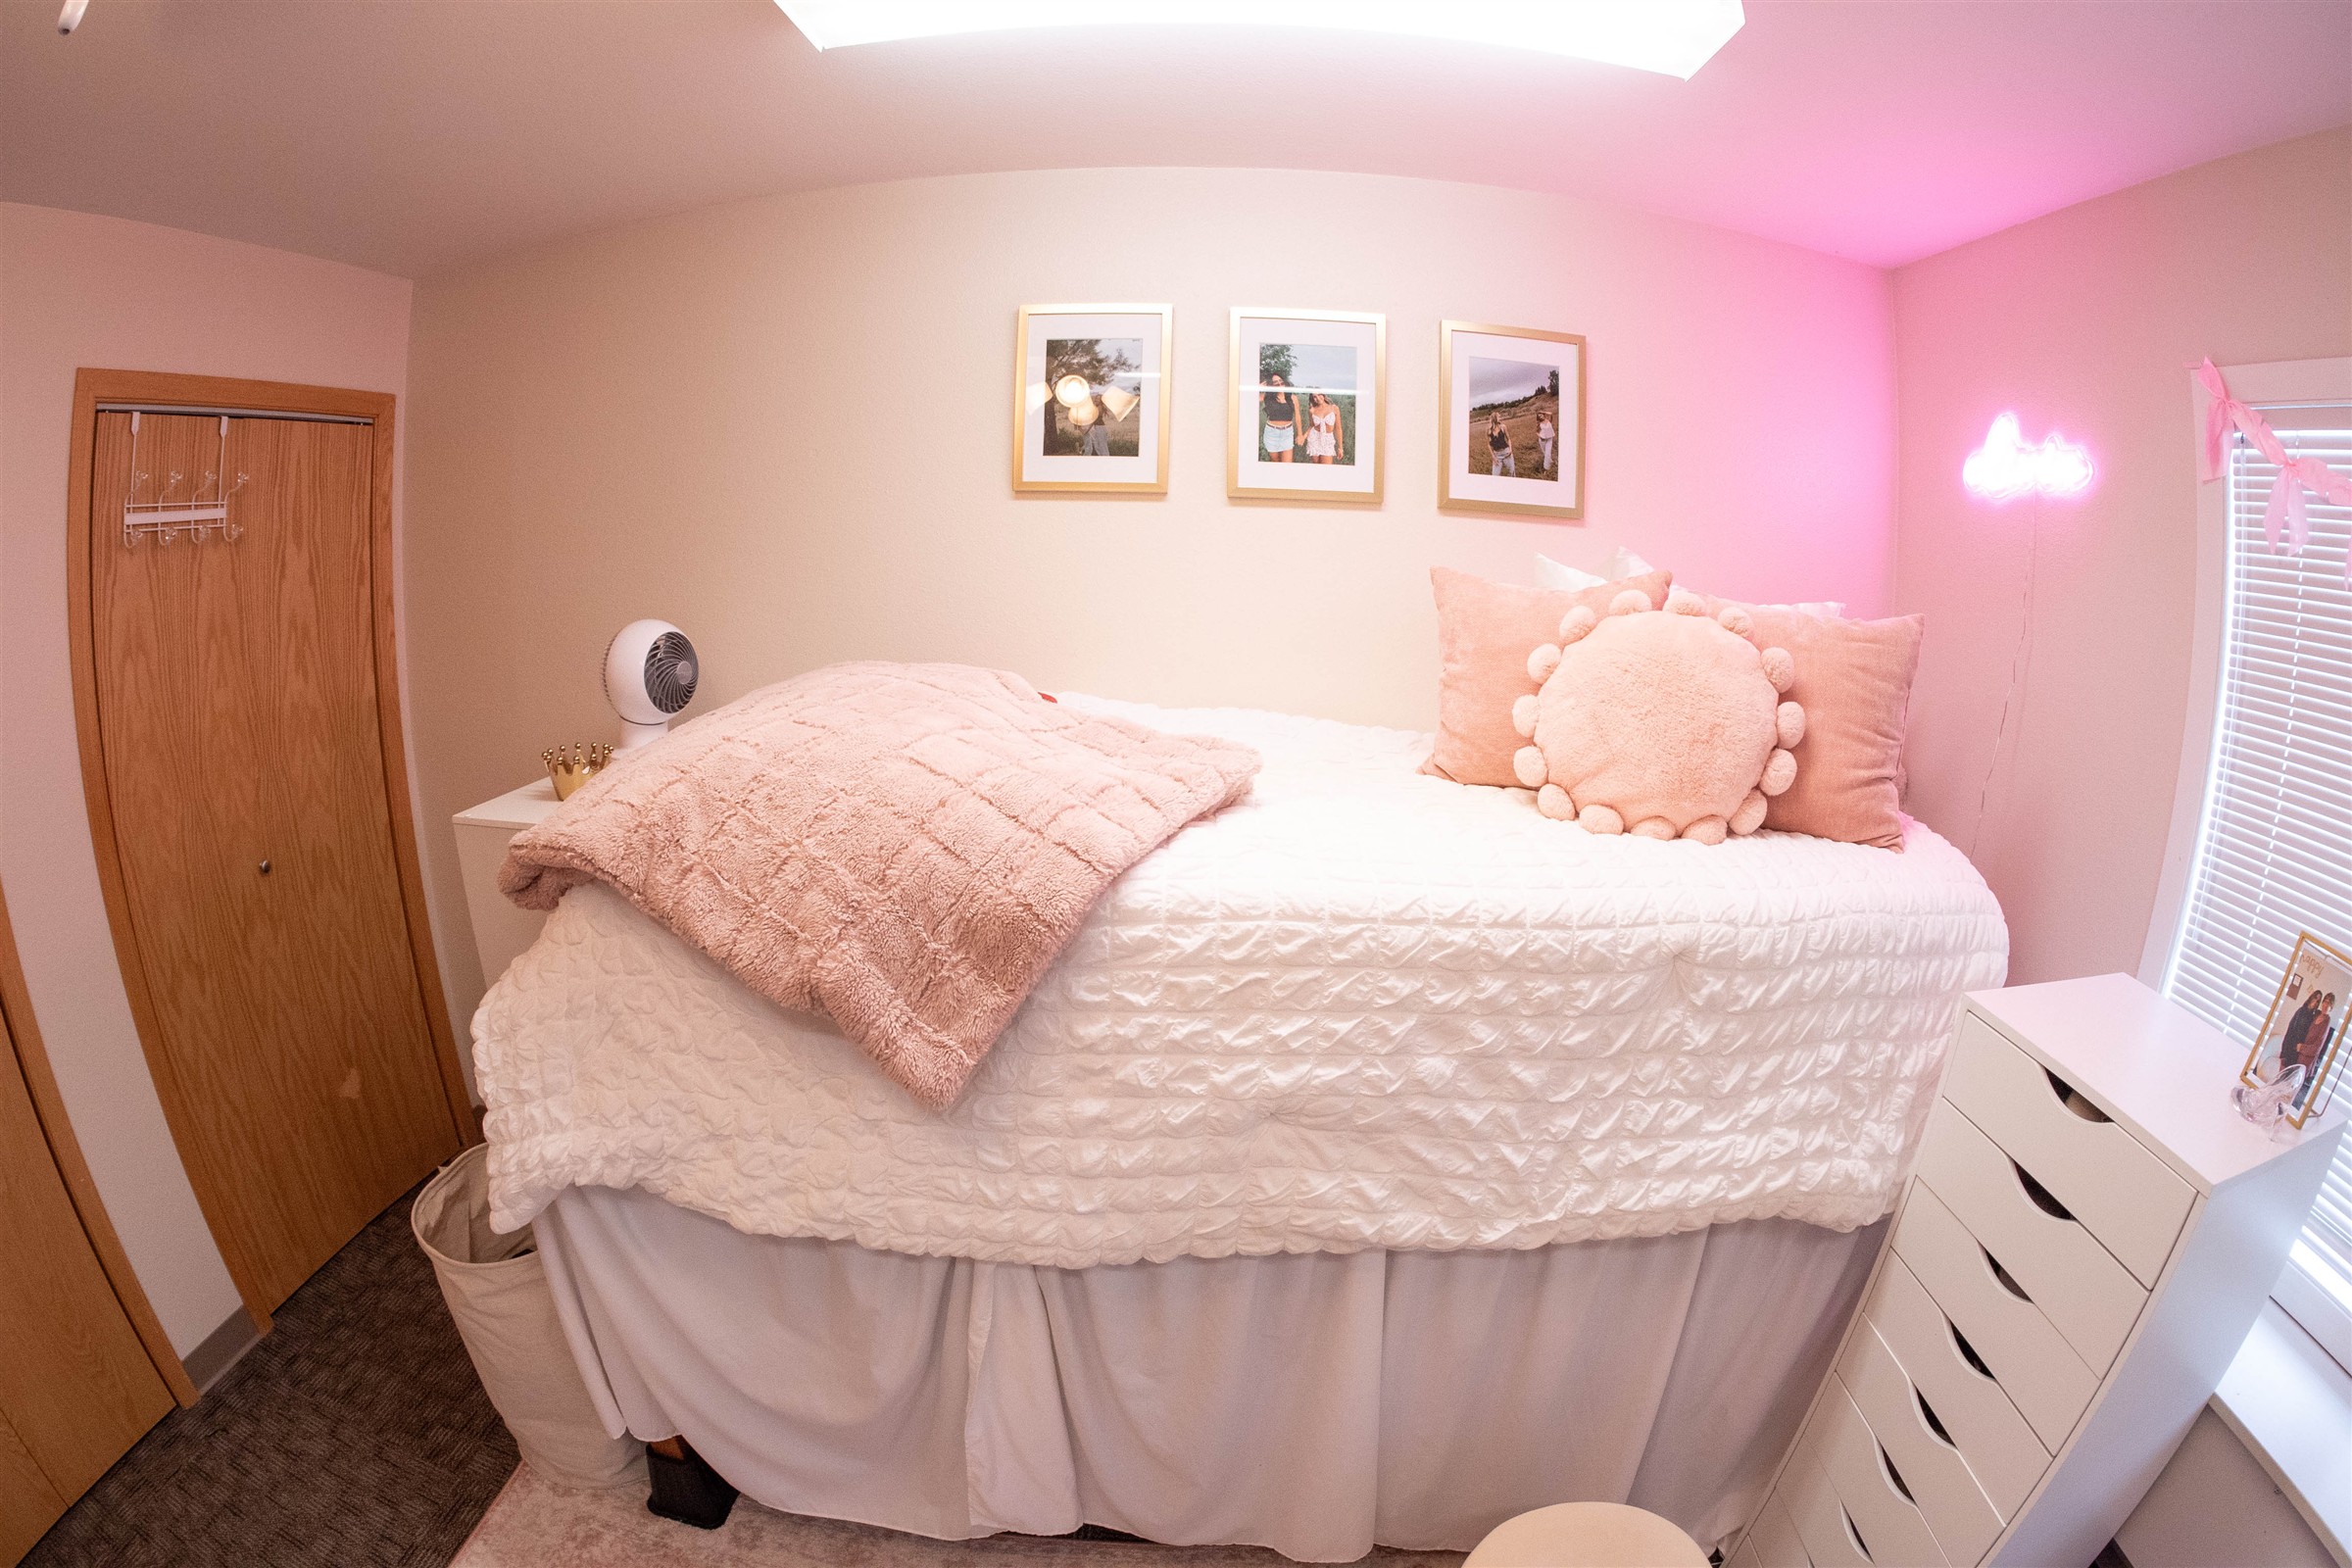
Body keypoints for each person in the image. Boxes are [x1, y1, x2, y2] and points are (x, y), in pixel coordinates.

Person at [1261, 371, 1304, 463]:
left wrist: (1300, 435)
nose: (1280, 385)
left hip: (1287, 434)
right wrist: (1260, 386)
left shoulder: (1293, 398)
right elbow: (1249, 396)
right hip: (1271, 433)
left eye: (1281, 382)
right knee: (1275, 461)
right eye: (1276, 384)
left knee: (1287, 464)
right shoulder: (1267, 397)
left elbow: (1297, 417)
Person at [1304, 390, 1344, 466]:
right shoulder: (1312, 410)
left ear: (1323, 395)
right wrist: (1304, 436)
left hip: (1328, 440)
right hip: (1314, 438)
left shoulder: (1334, 408)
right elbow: (1311, 425)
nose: (1318, 398)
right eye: (1315, 397)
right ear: (1313, 399)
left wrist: (1340, 448)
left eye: (1319, 395)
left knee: (1326, 468)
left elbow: (1338, 429)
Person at [1487, 412, 1514, 476]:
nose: (1501, 418)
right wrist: (1493, 457)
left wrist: (1510, 450)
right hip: (1497, 455)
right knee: (1495, 475)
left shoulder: (1503, 427)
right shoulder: (1489, 430)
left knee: (1511, 472)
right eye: (1499, 416)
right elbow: (1488, 444)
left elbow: (1508, 439)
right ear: (1495, 418)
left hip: (1506, 452)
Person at [1537, 411, 1556, 475]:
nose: (1541, 416)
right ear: (1538, 418)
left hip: (1550, 439)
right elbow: (1537, 432)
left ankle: (1546, 469)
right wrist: (1540, 437)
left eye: (1541, 415)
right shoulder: (1539, 424)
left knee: (1547, 454)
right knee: (1545, 454)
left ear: (1544, 415)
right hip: (1542, 440)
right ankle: (1550, 462)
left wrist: (1543, 411)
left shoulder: (1549, 420)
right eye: (1539, 416)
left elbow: (1551, 413)